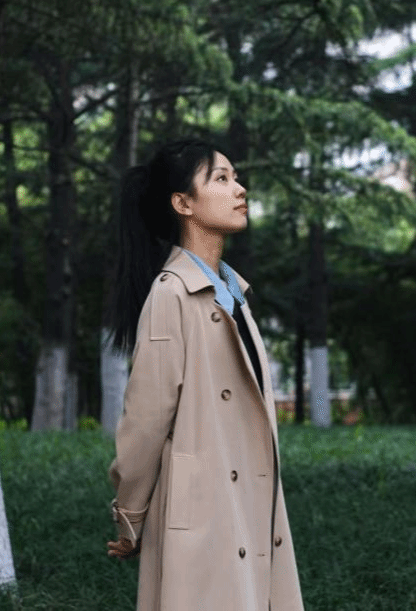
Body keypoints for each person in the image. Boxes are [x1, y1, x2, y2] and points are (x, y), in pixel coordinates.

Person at [105, 138, 305, 611]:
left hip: (250, 506)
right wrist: (130, 516)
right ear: (183, 204)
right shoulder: (171, 294)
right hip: (205, 520)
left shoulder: (234, 293)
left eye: (236, 177)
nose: (239, 188)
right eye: (221, 178)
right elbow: (145, 423)